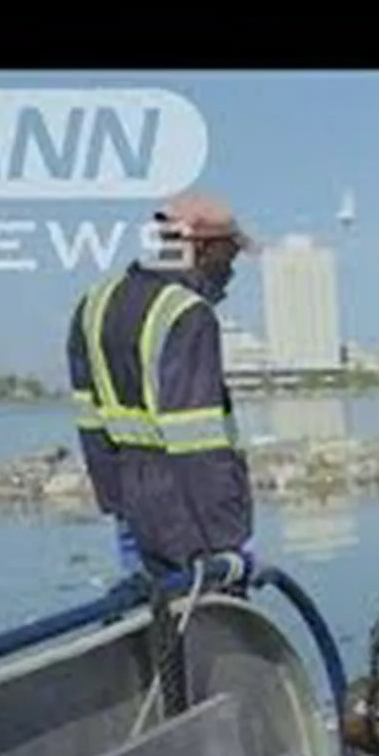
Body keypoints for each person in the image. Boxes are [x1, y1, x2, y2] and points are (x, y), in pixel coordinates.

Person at [68, 192, 256, 591]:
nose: (231, 271)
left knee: (152, 624)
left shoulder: (95, 302)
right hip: (188, 511)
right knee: (211, 632)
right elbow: (197, 441)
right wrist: (226, 542)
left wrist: (117, 504)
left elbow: (89, 420)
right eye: (229, 255)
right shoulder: (188, 313)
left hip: (130, 500)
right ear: (201, 248)